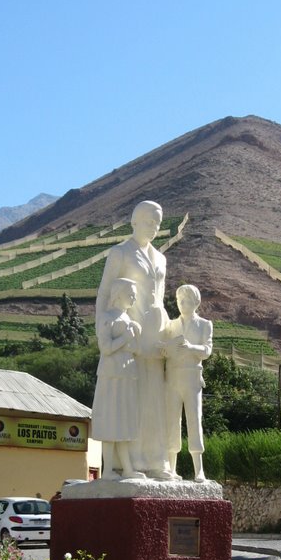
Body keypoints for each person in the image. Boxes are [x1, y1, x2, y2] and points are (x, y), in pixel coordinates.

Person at [95, 200, 173, 478]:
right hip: (128, 338)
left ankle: (155, 461)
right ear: (136, 221)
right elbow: (104, 293)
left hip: (155, 336)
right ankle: (128, 463)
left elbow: (160, 296)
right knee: (131, 401)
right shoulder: (120, 253)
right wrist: (103, 331)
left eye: (158, 223)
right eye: (150, 222)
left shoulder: (161, 258)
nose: (155, 228)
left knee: (156, 398)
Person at [91, 278, 145, 480]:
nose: (134, 297)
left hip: (127, 373)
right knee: (111, 419)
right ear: (119, 294)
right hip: (111, 374)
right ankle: (107, 471)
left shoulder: (130, 321)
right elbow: (105, 348)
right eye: (130, 293)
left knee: (124, 420)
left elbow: (136, 350)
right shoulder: (107, 318)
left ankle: (127, 468)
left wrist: (134, 337)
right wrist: (126, 338)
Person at [163, 284, 213, 481]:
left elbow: (207, 351)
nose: (183, 305)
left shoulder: (204, 325)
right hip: (173, 378)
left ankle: (198, 469)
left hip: (192, 378)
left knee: (194, 421)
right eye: (180, 301)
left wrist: (191, 347)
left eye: (187, 301)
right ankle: (171, 468)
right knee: (172, 422)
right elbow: (164, 348)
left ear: (196, 303)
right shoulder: (171, 326)